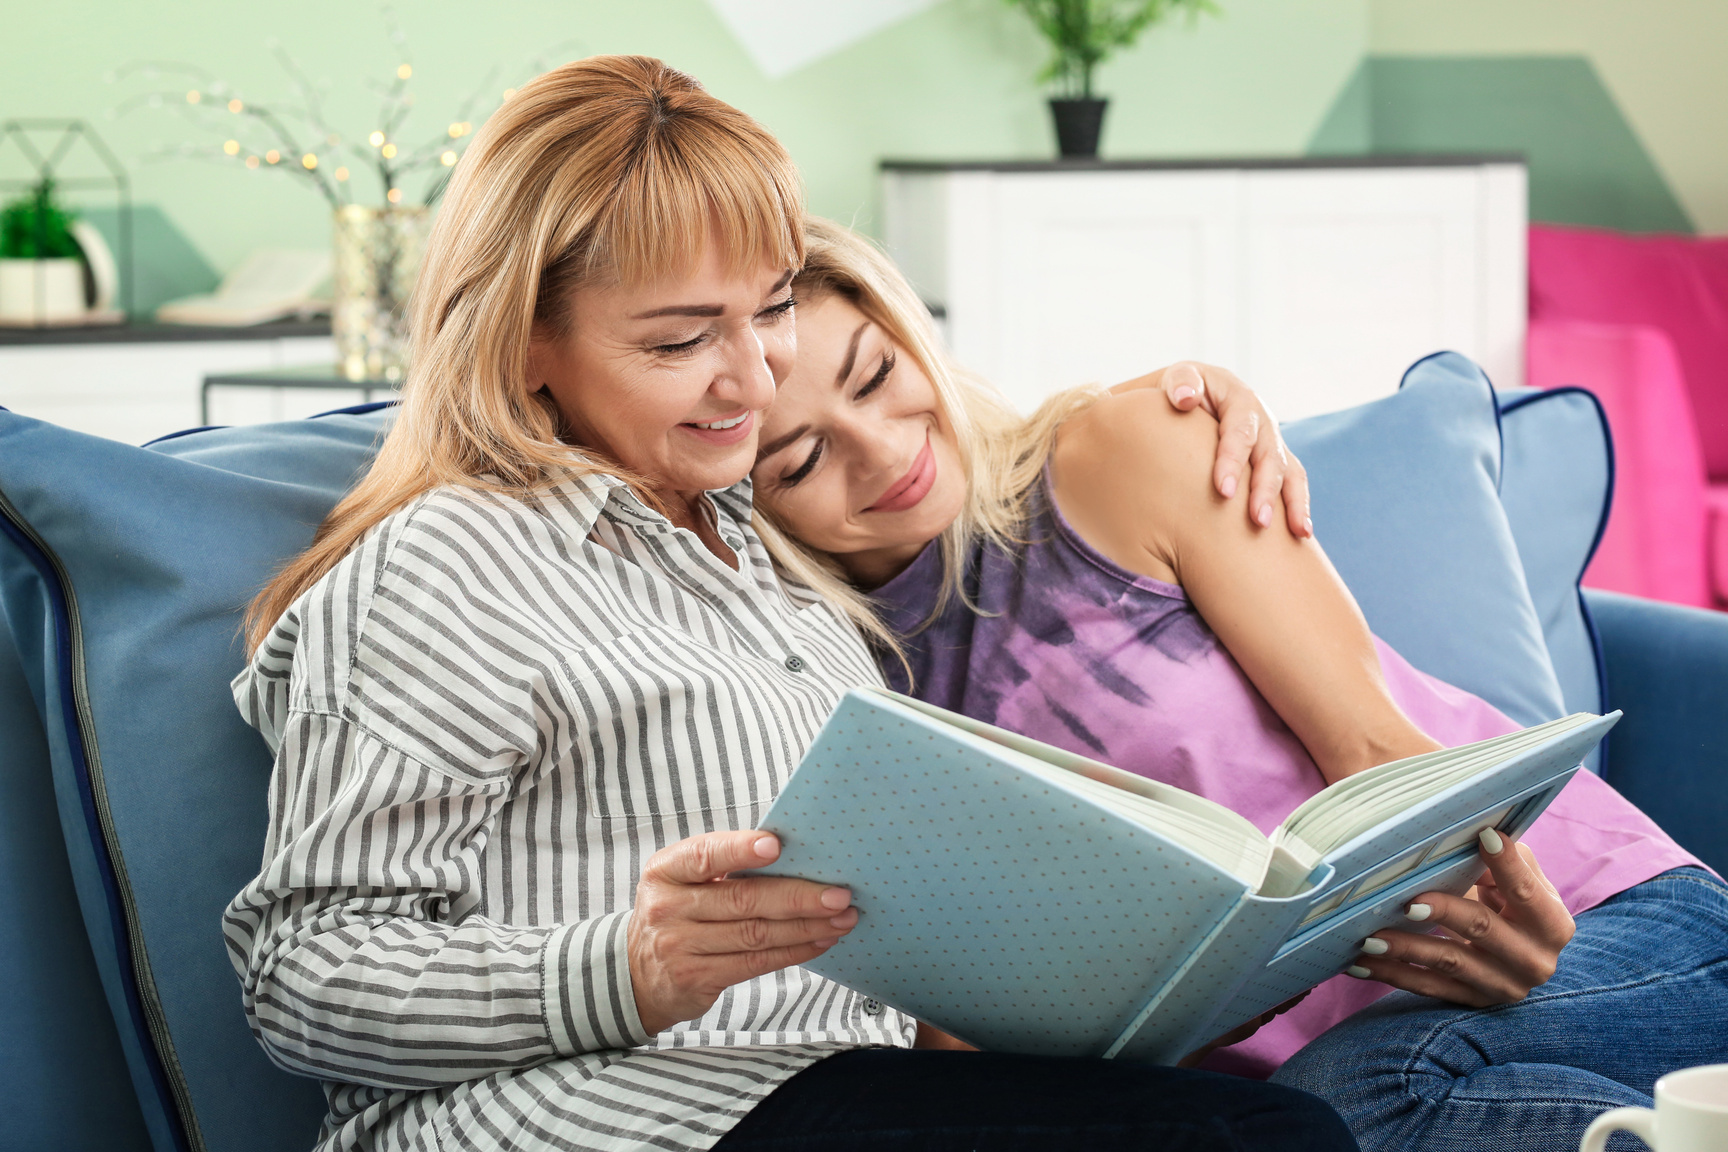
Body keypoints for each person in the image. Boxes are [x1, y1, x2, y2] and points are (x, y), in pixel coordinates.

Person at [224, 57, 1359, 1152]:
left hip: (833, 1090)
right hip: (605, 1115)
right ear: (527, 344)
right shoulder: (448, 565)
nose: (755, 382)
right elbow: (302, 975)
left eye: (767, 310)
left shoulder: (771, 575)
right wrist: (626, 968)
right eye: (679, 341)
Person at [748, 216, 1728, 1152]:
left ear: (907, 329)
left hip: (1592, 919)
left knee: (1349, 1112)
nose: (881, 449)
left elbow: (1381, 758)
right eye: (801, 460)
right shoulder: (843, 697)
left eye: (875, 377)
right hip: (1331, 1084)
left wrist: (1510, 917)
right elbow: (980, 1022)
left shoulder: (1118, 452)